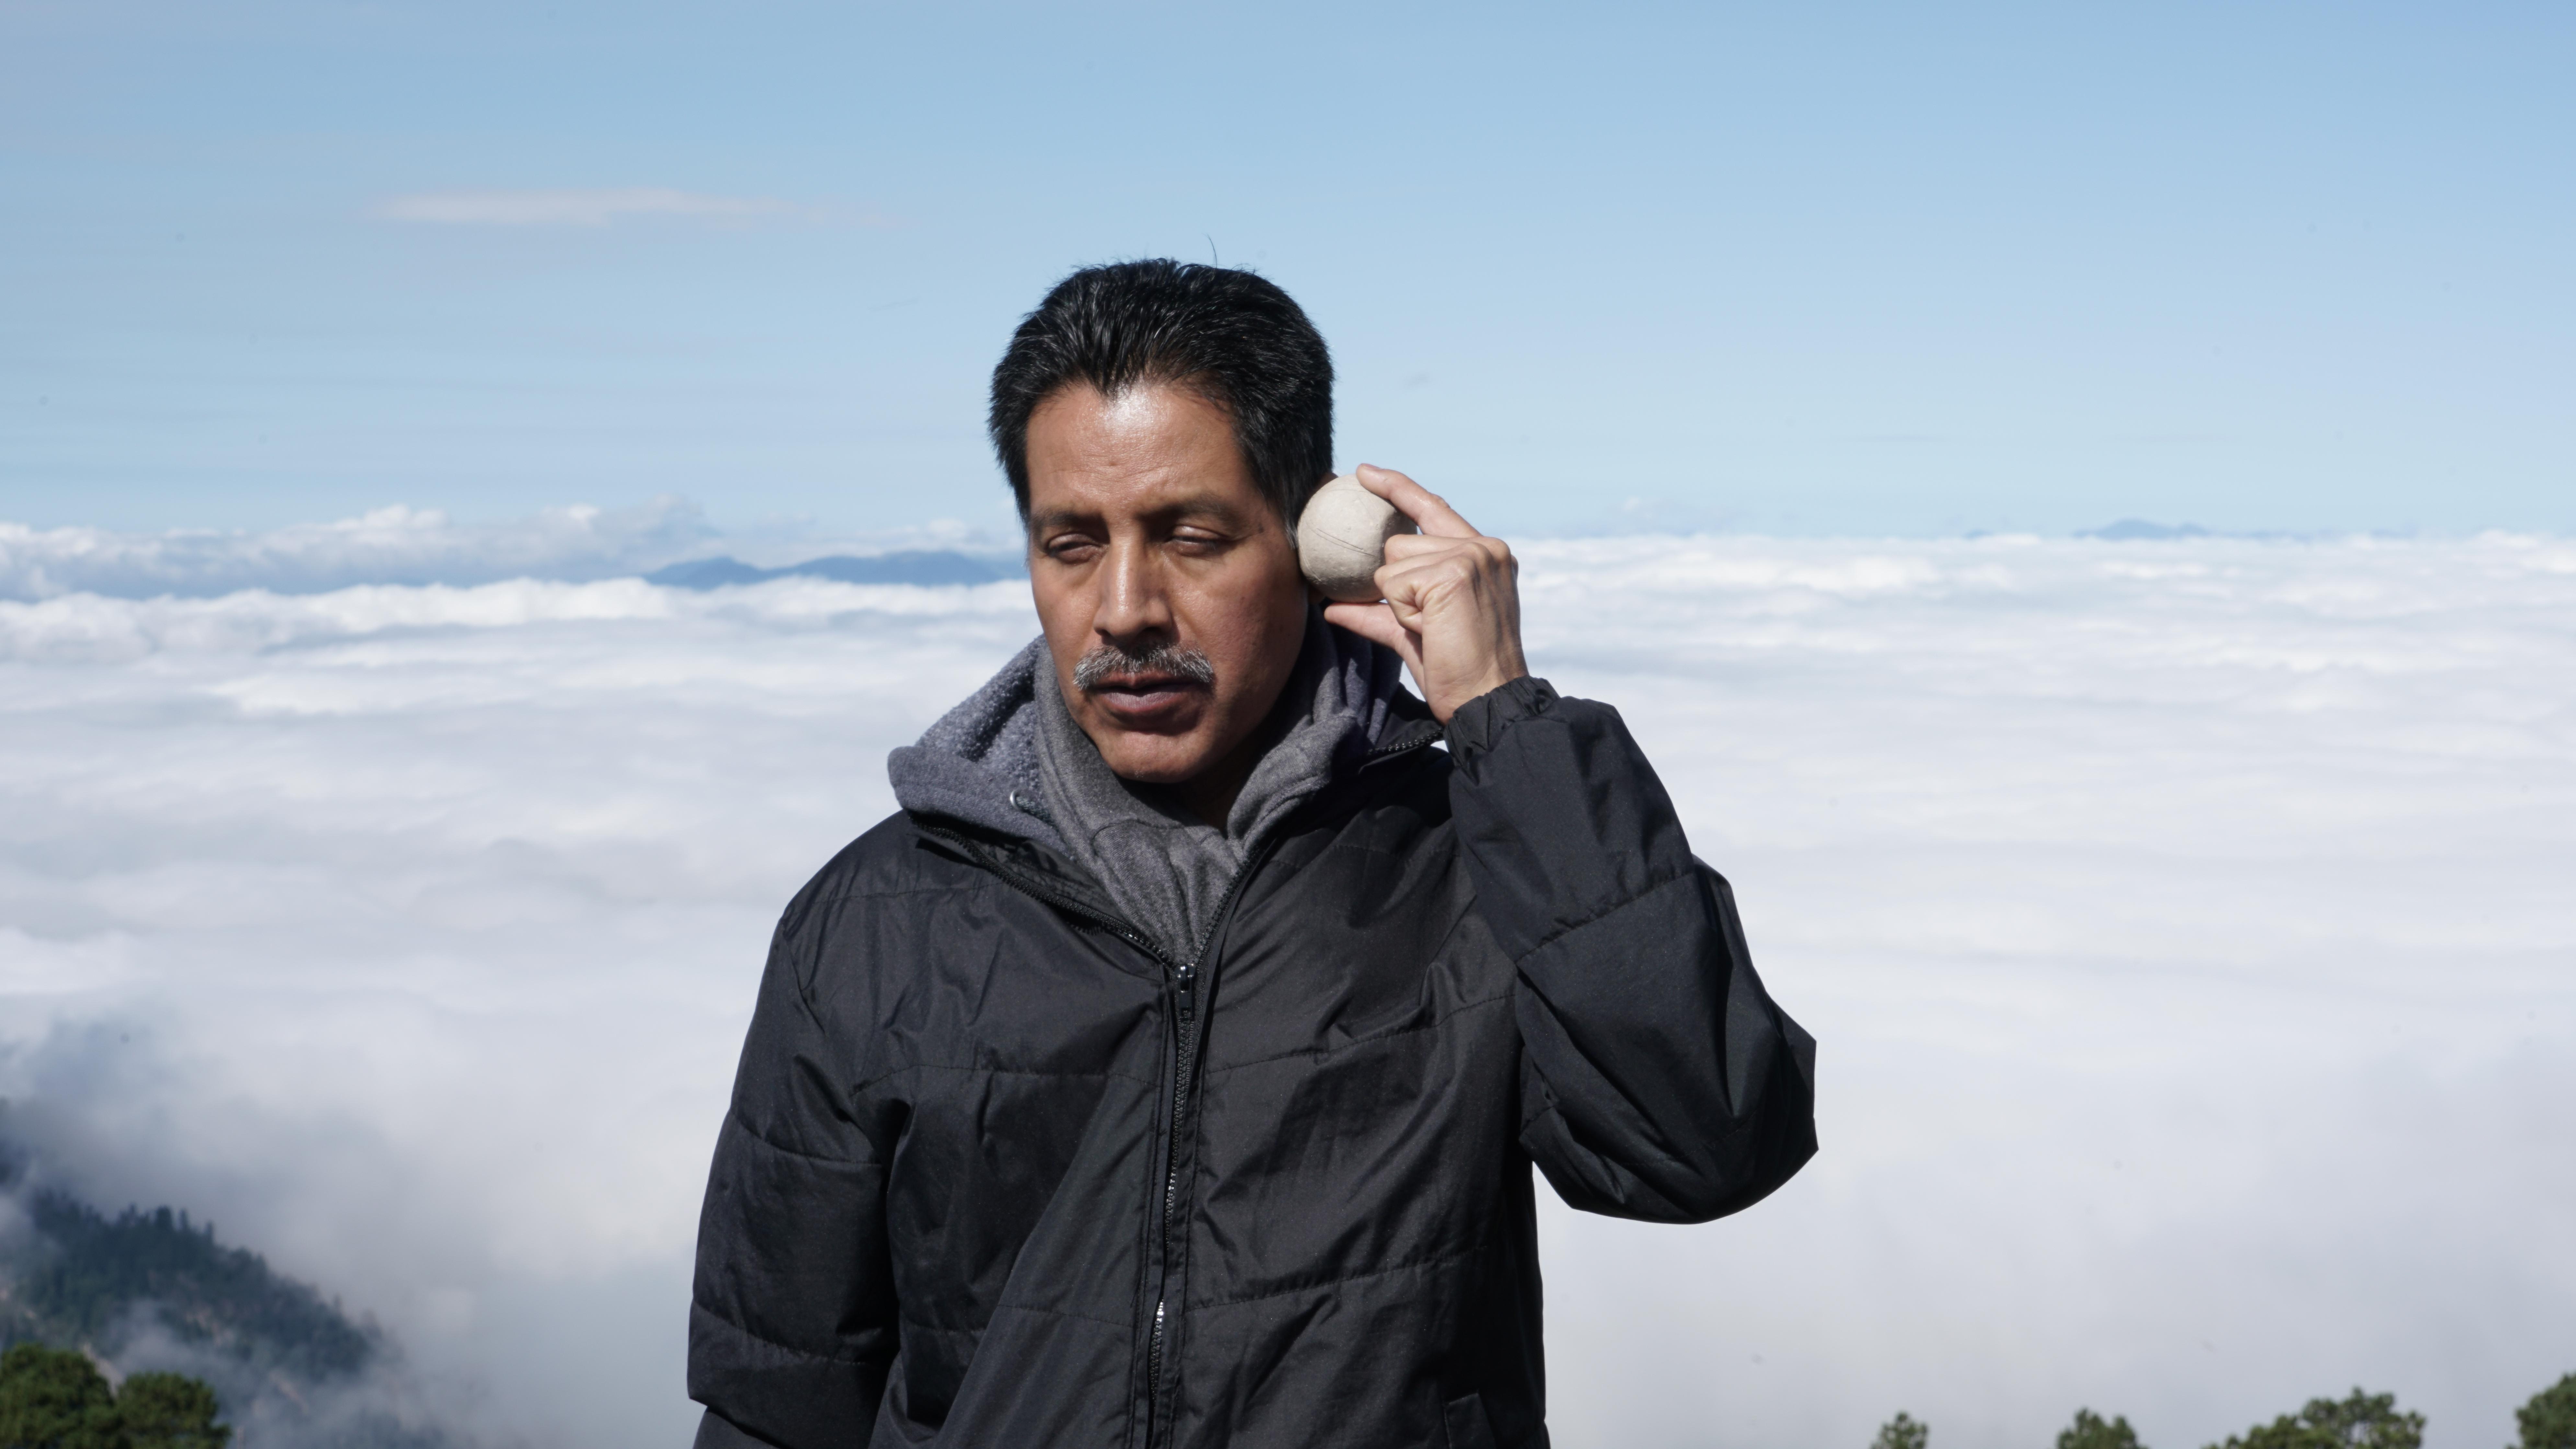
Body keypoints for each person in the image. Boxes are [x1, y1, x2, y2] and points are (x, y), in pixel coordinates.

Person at [687, 260, 1817, 1449]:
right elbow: (778, 1408)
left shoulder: (1476, 865)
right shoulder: (873, 920)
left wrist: (1502, 716)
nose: (1125, 607)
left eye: (1191, 536)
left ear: (1319, 546)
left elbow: (1706, 1145)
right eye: (1072, 543)